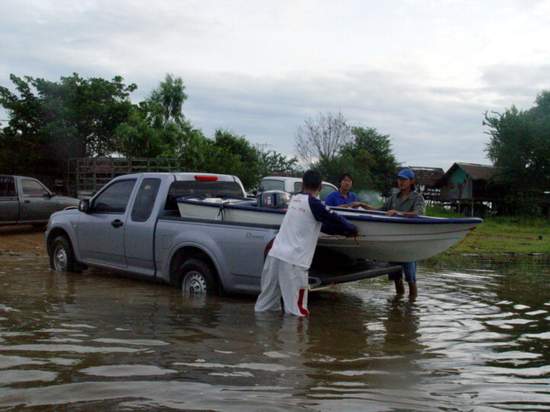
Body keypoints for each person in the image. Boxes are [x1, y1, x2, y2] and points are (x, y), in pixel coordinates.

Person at [255, 170, 358, 317]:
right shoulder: (315, 204)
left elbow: (316, 225)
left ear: (302, 184)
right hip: (294, 262)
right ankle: (298, 340)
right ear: (321, 187)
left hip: (274, 256)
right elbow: (337, 220)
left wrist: (340, 232)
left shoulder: (294, 200)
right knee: (297, 312)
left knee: (265, 306)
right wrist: (352, 230)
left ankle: (261, 337)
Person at [379, 168, 425, 297]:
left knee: (411, 278)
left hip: (409, 244)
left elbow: (418, 213)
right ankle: (397, 304)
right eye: (399, 179)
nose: (401, 182)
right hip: (393, 242)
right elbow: (381, 210)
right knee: (395, 277)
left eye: (404, 180)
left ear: (411, 181)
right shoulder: (394, 197)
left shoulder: (417, 197)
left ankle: (412, 306)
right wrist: (363, 205)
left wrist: (398, 213)